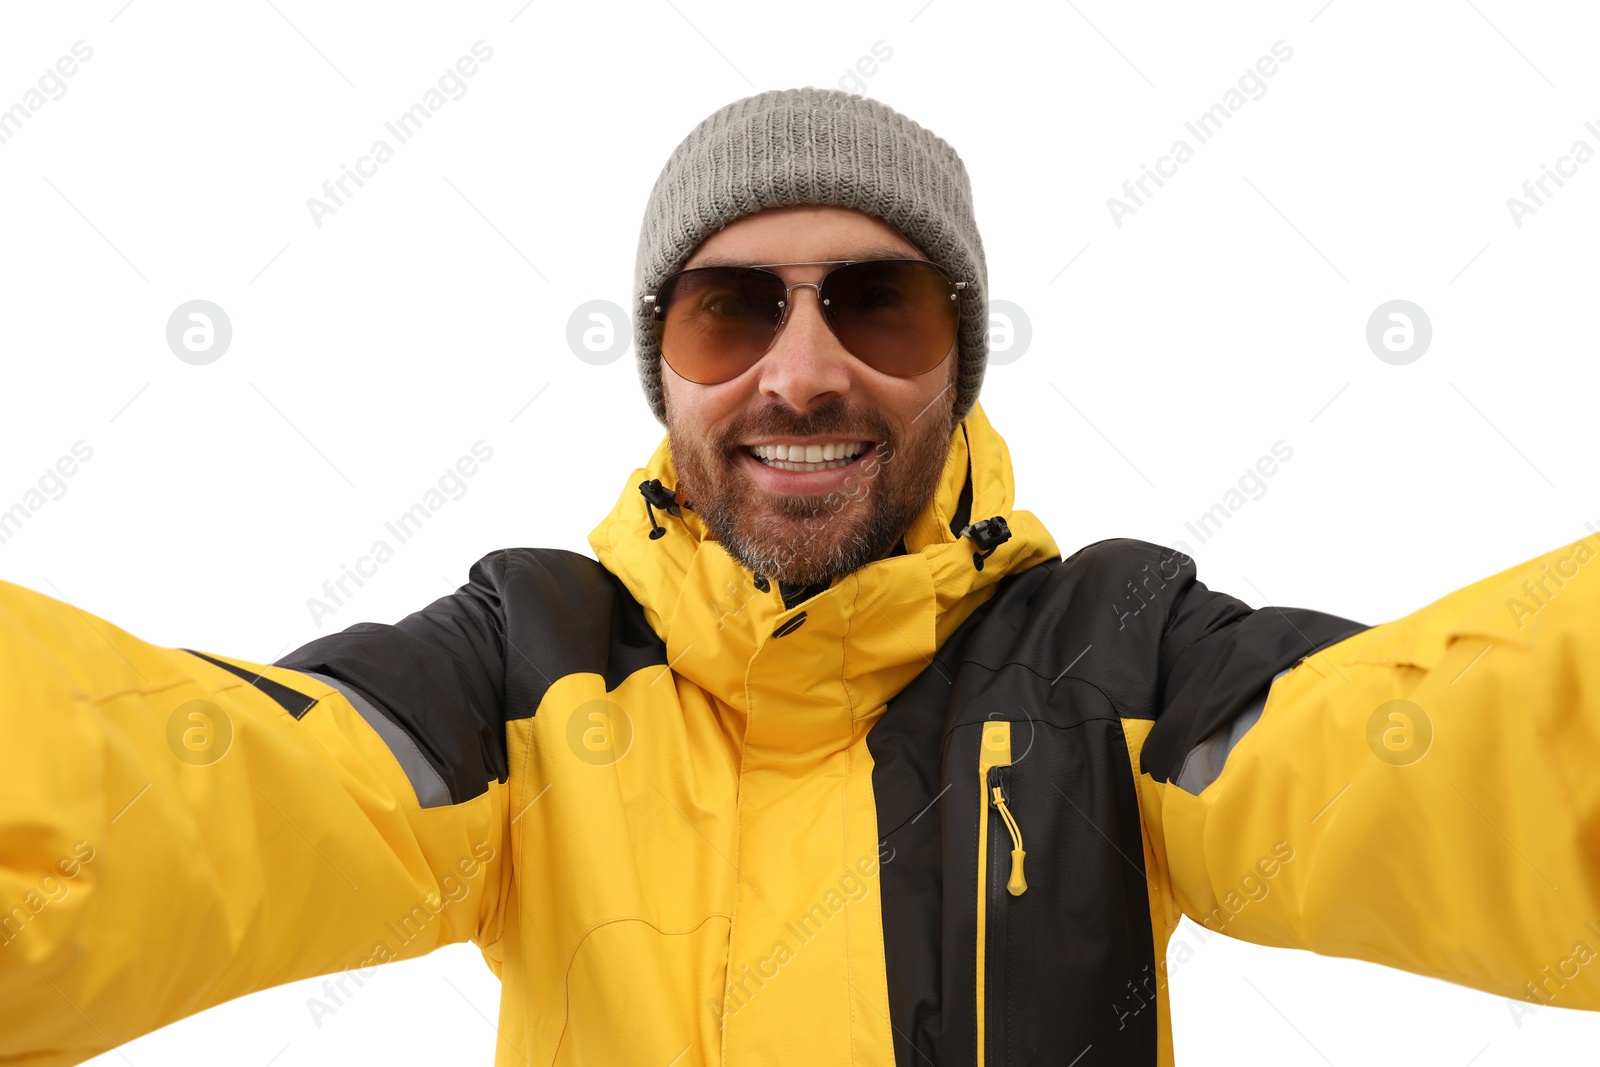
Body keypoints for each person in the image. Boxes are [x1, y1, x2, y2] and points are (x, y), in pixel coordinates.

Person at [2, 86, 1597, 1067]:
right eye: (731, 311)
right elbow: (181, 807)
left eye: (880, 305)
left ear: (959, 362)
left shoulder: (1118, 661)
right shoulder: (521, 669)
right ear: (663, 373)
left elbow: (1466, 768)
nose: (804, 372)